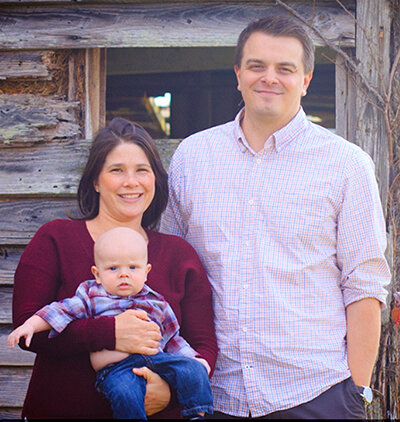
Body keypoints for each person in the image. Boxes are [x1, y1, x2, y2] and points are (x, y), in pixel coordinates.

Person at [160, 15, 391, 420]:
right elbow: (169, 273)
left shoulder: (346, 164)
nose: (270, 78)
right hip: (212, 392)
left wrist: (357, 391)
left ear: (305, 80)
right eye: (257, 66)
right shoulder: (192, 159)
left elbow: (365, 284)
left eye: (285, 68)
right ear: (238, 74)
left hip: (316, 393)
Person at [12, 117, 218, 419]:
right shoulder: (55, 238)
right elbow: (29, 330)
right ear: (96, 180)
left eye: (142, 171)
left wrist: (170, 390)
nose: (131, 182)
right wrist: (110, 332)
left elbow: (203, 345)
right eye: (116, 170)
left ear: (155, 181)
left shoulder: (179, 255)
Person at [9, 227, 213, 420]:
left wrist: (196, 361)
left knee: (192, 370)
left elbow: (173, 339)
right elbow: (60, 311)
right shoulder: (91, 296)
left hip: (156, 362)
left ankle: (195, 413)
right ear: (97, 274)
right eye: (113, 268)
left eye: (133, 267)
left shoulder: (157, 302)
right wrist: (31, 325)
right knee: (126, 394)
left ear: (146, 271)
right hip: (116, 368)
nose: (124, 274)